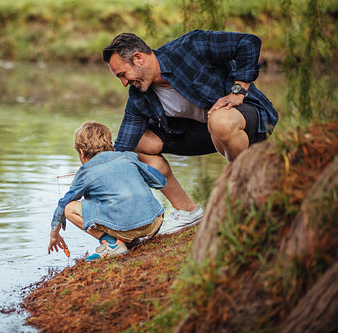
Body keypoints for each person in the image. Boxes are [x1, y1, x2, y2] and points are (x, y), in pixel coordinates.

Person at [102, 30, 278, 232]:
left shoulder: (191, 47)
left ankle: (247, 193)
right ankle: (188, 211)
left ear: (138, 58)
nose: (124, 83)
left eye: (123, 75)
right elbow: (123, 147)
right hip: (207, 134)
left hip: (245, 120)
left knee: (219, 120)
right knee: (137, 145)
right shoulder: (139, 96)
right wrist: (95, 173)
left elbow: (249, 42)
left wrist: (238, 90)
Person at [48, 121, 166, 262]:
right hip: (153, 223)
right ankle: (131, 242)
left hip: (127, 227)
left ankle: (112, 244)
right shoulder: (128, 157)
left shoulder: (86, 171)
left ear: (81, 152)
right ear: (110, 144)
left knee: (69, 208)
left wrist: (54, 235)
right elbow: (160, 182)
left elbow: (63, 204)